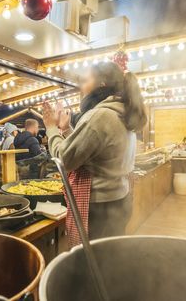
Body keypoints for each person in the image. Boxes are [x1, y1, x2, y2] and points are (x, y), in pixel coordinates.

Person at [42, 61, 147, 244]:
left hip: (99, 209)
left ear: (102, 84)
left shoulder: (100, 115)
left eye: (86, 80)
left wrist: (51, 127)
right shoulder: (121, 112)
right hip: (119, 201)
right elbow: (92, 148)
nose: (82, 86)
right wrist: (66, 130)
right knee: (110, 258)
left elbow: (65, 159)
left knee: (93, 263)